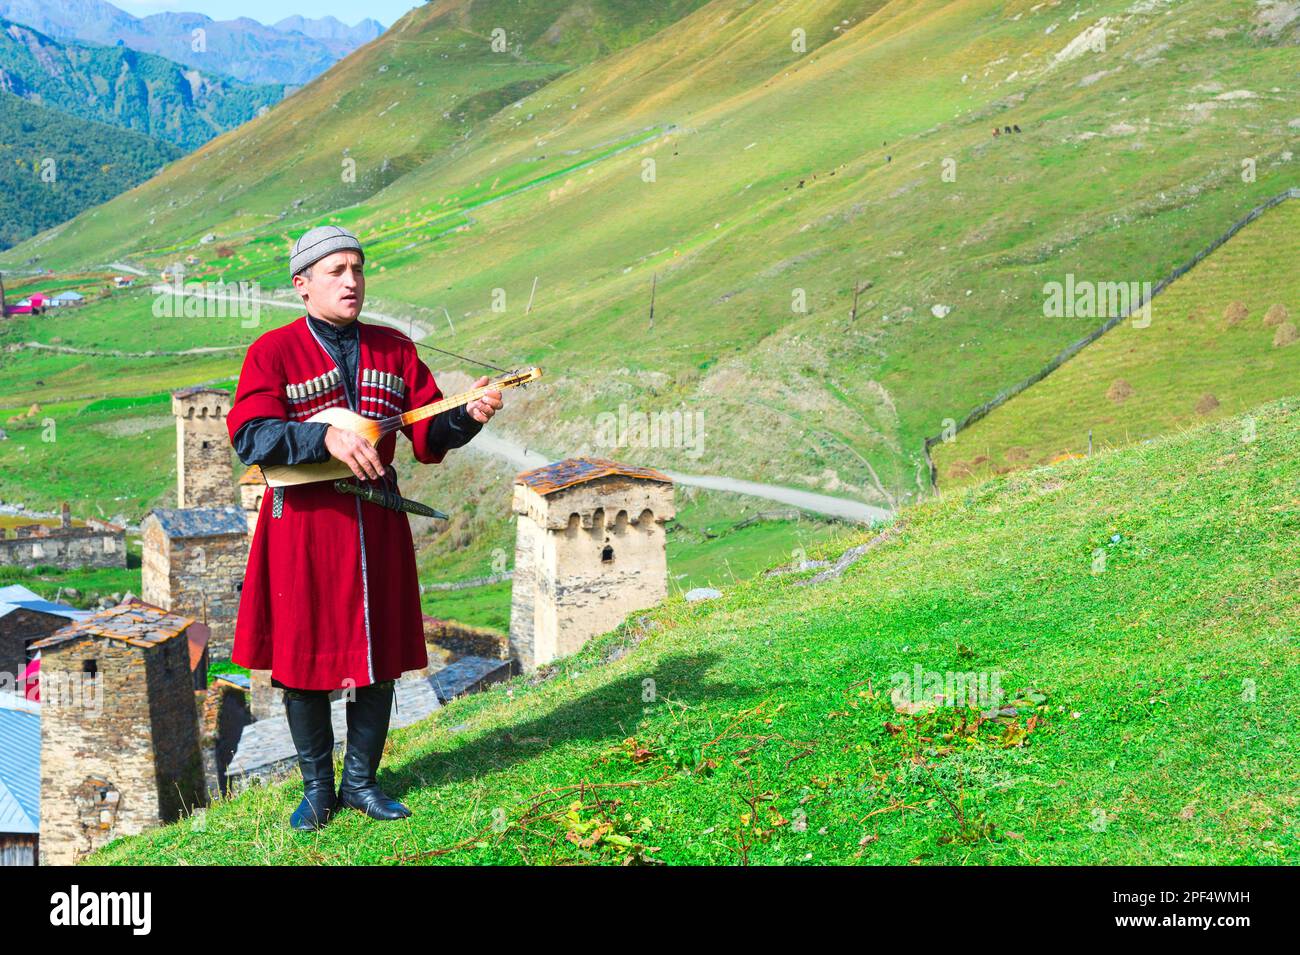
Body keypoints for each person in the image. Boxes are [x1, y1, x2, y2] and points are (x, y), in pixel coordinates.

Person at [225, 225, 503, 831]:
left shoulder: (394, 349)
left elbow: (428, 438)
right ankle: (318, 790)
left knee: (377, 655)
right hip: (301, 524)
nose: (351, 281)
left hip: (376, 522)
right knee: (302, 660)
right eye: (336, 271)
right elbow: (250, 435)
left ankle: (362, 784)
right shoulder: (273, 353)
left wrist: (469, 415)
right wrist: (321, 435)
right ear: (303, 286)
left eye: (357, 269)